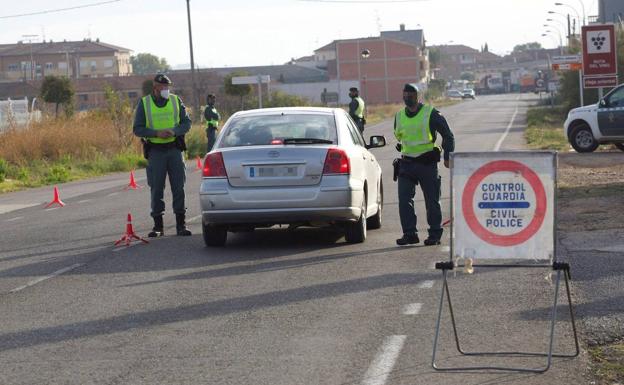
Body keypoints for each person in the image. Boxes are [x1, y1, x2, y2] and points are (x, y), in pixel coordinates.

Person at [394, 83, 455, 246]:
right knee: (404, 200)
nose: (407, 98)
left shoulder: (431, 113)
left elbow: (448, 136)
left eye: (411, 95)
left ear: (418, 96)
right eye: (405, 95)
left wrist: (447, 157)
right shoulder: (399, 116)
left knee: (432, 200)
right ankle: (410, 234)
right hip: (406, 164)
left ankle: (434, 234)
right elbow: (400, 137)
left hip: (427, 164)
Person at [133, 74, 192, 237]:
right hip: (156, 151)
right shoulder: (144, 103)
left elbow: (187, 123)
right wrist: (156, 133)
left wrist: (175, 131)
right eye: (163, 87)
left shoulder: (175, 101)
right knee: (157, 188)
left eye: (168, 87)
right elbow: (137, 129)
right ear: (155, 87)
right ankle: (158, 226)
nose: (166, 90)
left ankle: (181, 224)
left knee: (178, 187)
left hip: (174, 150)